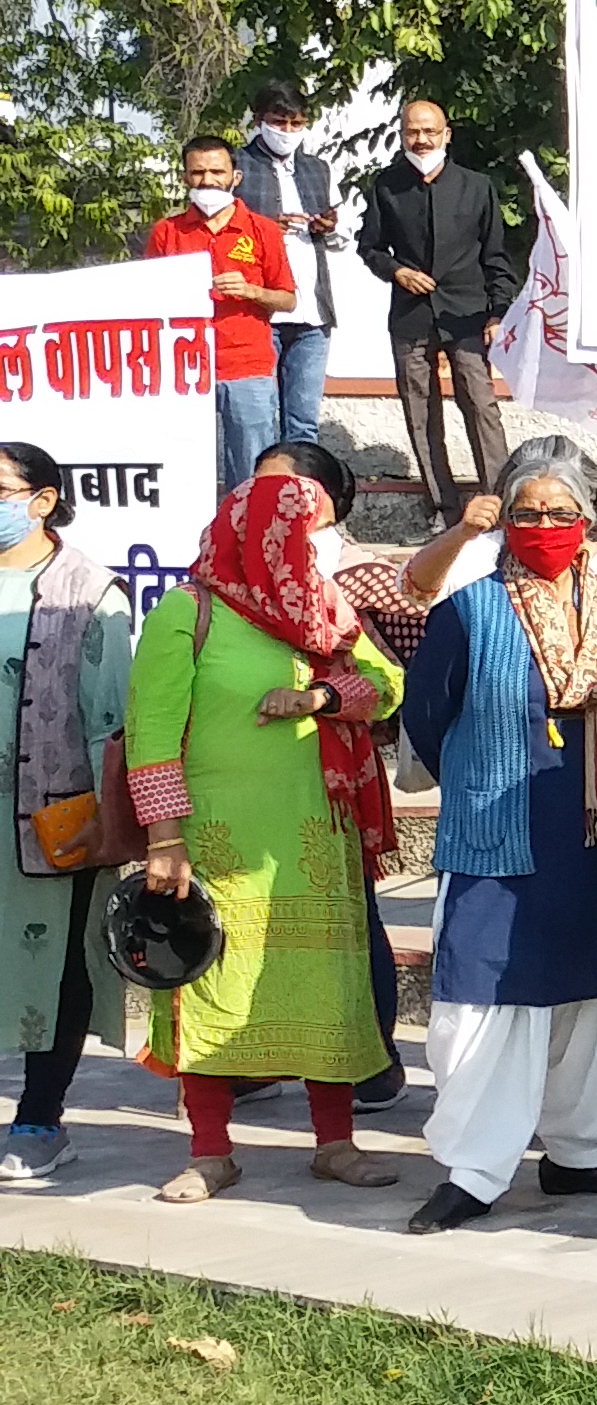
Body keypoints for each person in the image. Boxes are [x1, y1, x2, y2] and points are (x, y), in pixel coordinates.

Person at [398, 436, 597, 1233]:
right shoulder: (473, 598)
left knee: (592, 985)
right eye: (528, 512)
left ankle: (580, 1153)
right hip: (501, 817)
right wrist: (485, 760)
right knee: (489, 990)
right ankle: (473, 1170)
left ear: (590, 517)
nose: (545, 525)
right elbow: (426, 712)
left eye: (562, 512)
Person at [125, 471, 402, 1202]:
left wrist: (321, 695)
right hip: (215, 841)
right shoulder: (187, 612)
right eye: (303, 534)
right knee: (209, 979)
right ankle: (211, 1151)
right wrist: (164, 838)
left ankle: (335, 1144)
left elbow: (386, 684)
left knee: (328, 991)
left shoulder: (328, 607)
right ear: (259, 535)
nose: (312, 547)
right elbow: (152, 734)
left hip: (313, 842)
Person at [0, 443, 133, 1189]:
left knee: (56, 965)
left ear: (43, 500)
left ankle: (41, 1117)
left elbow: (109, 720)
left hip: (51, 810)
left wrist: (108, 820)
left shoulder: (90, 591)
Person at [349, 99, 516, 501]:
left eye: (429, 131)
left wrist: (497, 314)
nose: (421, 140)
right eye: (412, 132)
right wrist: (396, 272)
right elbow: (368, 246)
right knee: (421, 413)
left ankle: (503, 502)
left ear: (446, 134)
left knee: (480, 405)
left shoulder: (477, 187)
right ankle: (443, 508)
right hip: (411, 317)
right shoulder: (387, 186)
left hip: (467, 313)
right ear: (402, 134)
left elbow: (495, 255)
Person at [146, 136, 295, 497]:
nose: (208, 180)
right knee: (183, 466)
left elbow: (288, 300)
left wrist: (252, 291)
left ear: (235, 176)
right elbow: (147, 298)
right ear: (184, 178)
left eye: (217, 171)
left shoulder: (263, 230)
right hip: (185, 369)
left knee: (252, 471)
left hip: (248, 366)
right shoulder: (167, 232)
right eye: (197, 172)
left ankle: (249, 542)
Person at [236, 85, 339, 449]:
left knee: (303, 423)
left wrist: (324, 225)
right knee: (259, 421)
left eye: (297, 123)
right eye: (280, 122)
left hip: (312, 311)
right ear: (258, 120)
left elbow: (324, 226)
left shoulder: (316, 169)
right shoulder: (237, 167)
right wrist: (266, 226)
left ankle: (299, 498)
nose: (288, 131)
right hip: (261, 312)